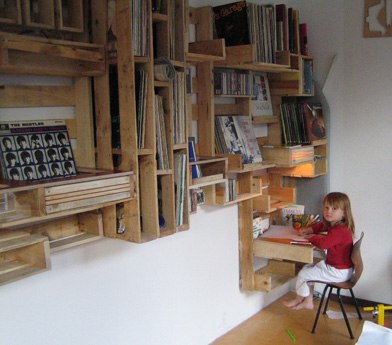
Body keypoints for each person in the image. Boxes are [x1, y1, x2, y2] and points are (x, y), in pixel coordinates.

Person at [283, 192, 355, 310]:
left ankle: (299, 298)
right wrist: (309, 230)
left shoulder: (340, 231)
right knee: (307, 268)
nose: (329, 211)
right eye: (326, 207)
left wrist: (310, 237)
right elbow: (322, 225)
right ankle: (308, 300)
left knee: (303, 274)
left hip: (338, 272)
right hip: (340, 268)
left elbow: (323, 244)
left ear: (344, 212)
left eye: (334, 208)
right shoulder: (339, 225)